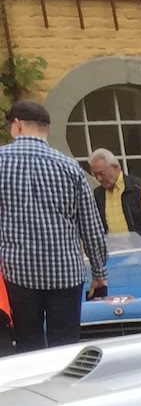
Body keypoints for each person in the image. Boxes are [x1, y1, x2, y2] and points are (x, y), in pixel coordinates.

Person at [0, 99, 107, 352]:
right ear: (46, 129)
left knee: (28, 345)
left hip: (18, 273)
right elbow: (91, 226)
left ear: (17, 125)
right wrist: (99, 274)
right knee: (66, 347)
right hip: (66, 273)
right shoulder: (69, 167)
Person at [86, 149, 141, 237]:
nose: (99, 178)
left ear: (116, 167)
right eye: (95, 175)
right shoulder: (98, 195)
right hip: (114, 249)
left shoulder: (140, 188)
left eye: (102, 173)